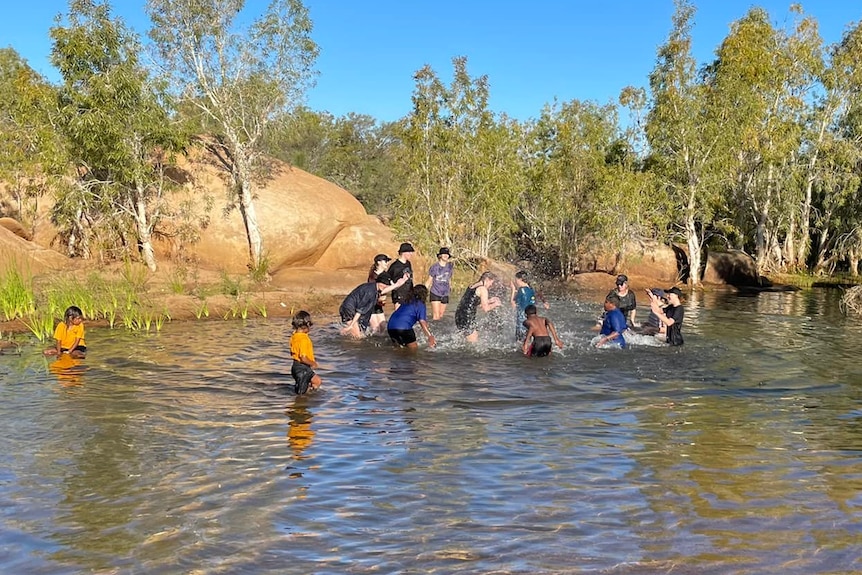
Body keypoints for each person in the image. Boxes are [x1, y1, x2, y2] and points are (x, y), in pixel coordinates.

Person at [340, 273, 409, 338]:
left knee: (362, 334)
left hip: (353, 308)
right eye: (385, 285)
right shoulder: (370, 292)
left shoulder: (376, 287)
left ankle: (346, 332)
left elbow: (387, 289)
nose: (386, 287)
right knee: (357, 337)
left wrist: (401, 282)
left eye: (387, 285)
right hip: (348, 310)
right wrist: (351, 325)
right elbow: (360, 311)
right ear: (380, 283)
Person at [454, 271, 503, 343]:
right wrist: (496, 304)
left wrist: (489, 300)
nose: (491, 286)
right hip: (467, 316)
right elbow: (485, 309)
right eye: (491, 283)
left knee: (465, 340)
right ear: (487, 280)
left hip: (459, 315)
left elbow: (472, 302)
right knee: (473, 345)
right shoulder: (483, 289)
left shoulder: (472, 285)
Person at [387, 285, 437, 350]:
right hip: (404, 328)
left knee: (398, 350)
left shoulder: (406, 301)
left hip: (390, 327)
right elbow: (422, 322)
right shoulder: (420, 304)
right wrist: (430, 336)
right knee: (413, 351)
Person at [289, 310, 322, 395]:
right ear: (307, 325)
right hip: (302, 369)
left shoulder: (294, 336)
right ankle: (299, 405)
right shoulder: (303, 339)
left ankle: (309, 396)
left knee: (317, 381)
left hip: (296, 367)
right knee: (301, 394)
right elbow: (303, 358)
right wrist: (313, 363)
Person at [511, 270, 548, 341]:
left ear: (520, 279)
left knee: (520, 341)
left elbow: (513, 304)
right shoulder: (531, 289)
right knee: (529, 338)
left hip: (522, 320)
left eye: (516, 280)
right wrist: (545, 302)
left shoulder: (521, 290)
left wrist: (513, 290)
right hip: (532, 320)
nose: (515, 282)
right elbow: (539, 294)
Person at [426, 247, 454, 320]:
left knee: (441, 315)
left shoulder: (450, 266)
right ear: (440, 256)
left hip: (445, 293)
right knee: (436, 316)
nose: (446, 255)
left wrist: (450, 287)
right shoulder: (434, 267)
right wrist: (423, 292)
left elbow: (449, 278)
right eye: (444, 254)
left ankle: (439, 329)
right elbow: (429, 280)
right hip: (435, 292)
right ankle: (433, 331)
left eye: (447, 254)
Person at [368, 253, 393, 334]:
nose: (387, 263)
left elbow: (393, 285)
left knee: (383, 327)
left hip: (379, 304)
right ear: (379, 262)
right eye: (385, 261)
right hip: (370, 304)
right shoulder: (372, 276)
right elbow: (376, 290)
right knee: (375, 329)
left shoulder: (386, 274)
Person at [387, 242, 415, 310]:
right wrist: (394, 286)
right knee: (399, 314)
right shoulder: (395, 266)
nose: (411, 254)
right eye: (409, 252)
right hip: (399, 294)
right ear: (403, 253)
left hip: (409, 293)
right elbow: (387, 278)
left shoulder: (408, 263)